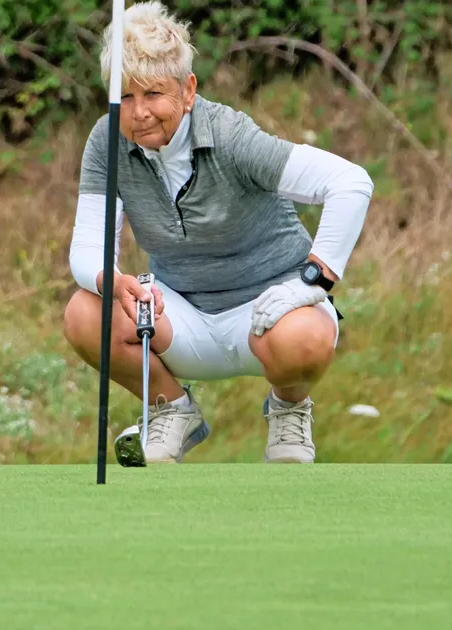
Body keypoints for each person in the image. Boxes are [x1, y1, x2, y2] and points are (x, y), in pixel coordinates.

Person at [62, 1, 374, 465]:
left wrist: (311, 284)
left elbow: (350, 183)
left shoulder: (229, 136)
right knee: (84, 313)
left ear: (188, 90)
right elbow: (89, 246)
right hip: (179, 317)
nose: (139, 113)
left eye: (153, 94)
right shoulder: (108, 141)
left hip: (270, 315)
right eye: (125, 98)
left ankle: (289, 408)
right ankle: (170, 409)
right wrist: (115, 282)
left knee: (305, 338)